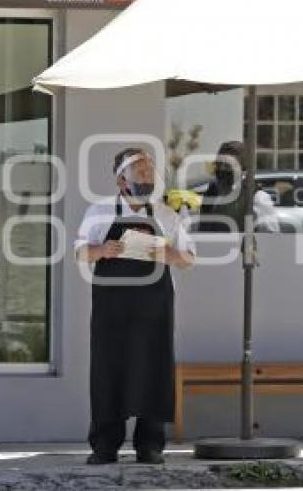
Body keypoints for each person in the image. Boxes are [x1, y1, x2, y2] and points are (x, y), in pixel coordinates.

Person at [75, 147, 195, 465]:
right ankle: (105, 444)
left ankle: (150, 445)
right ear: (121, 179)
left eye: (150, 170)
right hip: (111, 307)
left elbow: (187, 259)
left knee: (153, 369)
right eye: (140, 170)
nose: (147, 175)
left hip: (154, 308)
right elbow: (79, 253)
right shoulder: (100, 211)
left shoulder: (167, 214)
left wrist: (163, 253)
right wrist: (103, 250)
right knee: (107, 370)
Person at [198, 141, 279, 233]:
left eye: (229, 165)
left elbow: (271, 234)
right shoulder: (212, 193)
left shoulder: (257, 197)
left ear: (243, 169)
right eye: (220, 164)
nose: (222, 169)